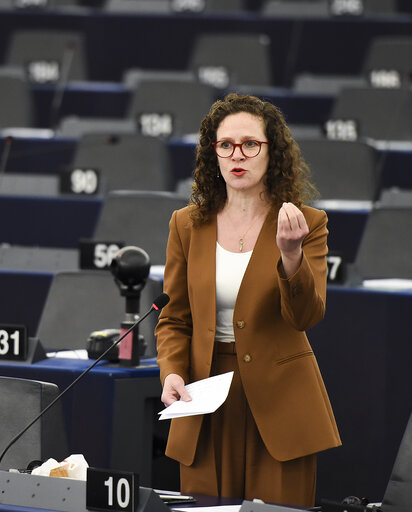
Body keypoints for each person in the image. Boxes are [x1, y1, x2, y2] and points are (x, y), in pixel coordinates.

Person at [155, 93, 341, 507]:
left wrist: (292, 256)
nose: (237, 154)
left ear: (271, 152)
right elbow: (174, 318)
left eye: (250, 144)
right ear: (213, 154)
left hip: (279, 400)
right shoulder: (186, 224)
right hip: (204, 396)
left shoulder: (306, 222)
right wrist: (170, 372)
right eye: (225, 145)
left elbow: (306, 316)